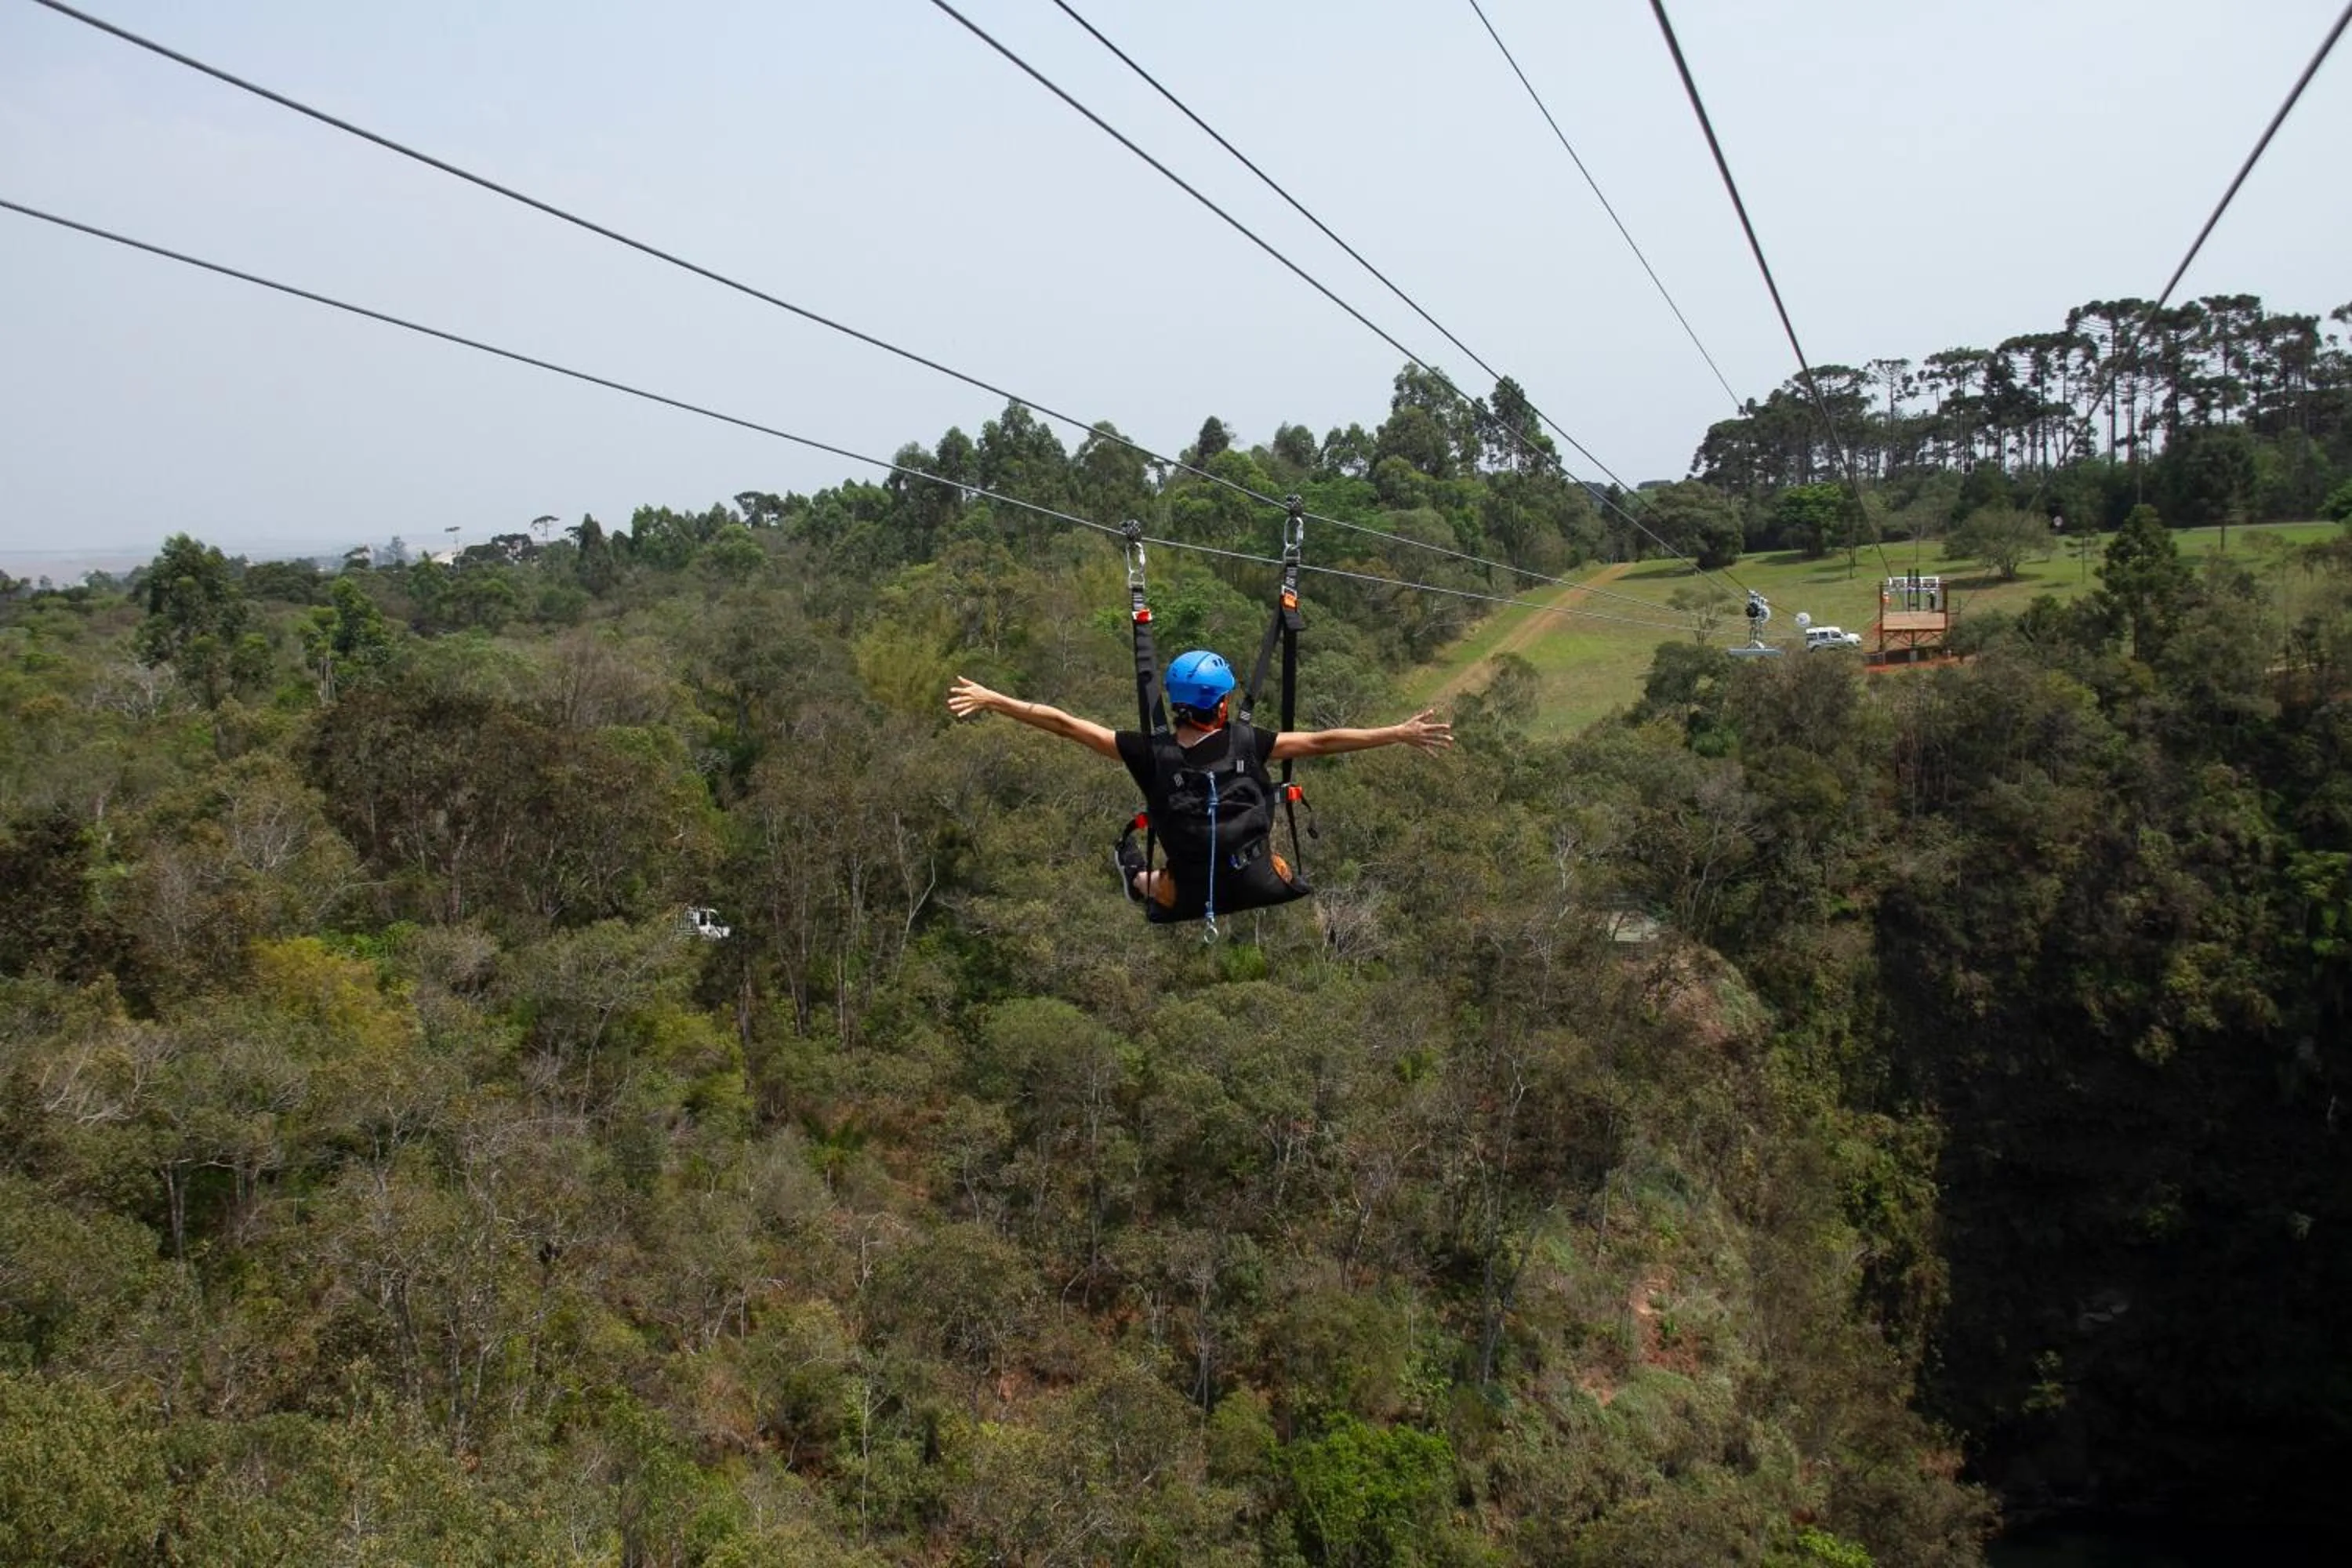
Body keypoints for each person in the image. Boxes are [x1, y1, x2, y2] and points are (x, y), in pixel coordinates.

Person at [947, 651, 1451, 919]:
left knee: (1148, 880)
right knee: (1263, 855)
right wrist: (1398, 734)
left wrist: (997, 700)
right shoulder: (1249, 743)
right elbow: (1321, 742)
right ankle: (1180, 874)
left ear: (1178, 703)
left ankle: (1139, 878)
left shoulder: (1149, 752)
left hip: (1185, 892)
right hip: (1258, 876)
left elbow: (1064, 724)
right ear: (1223, 705)